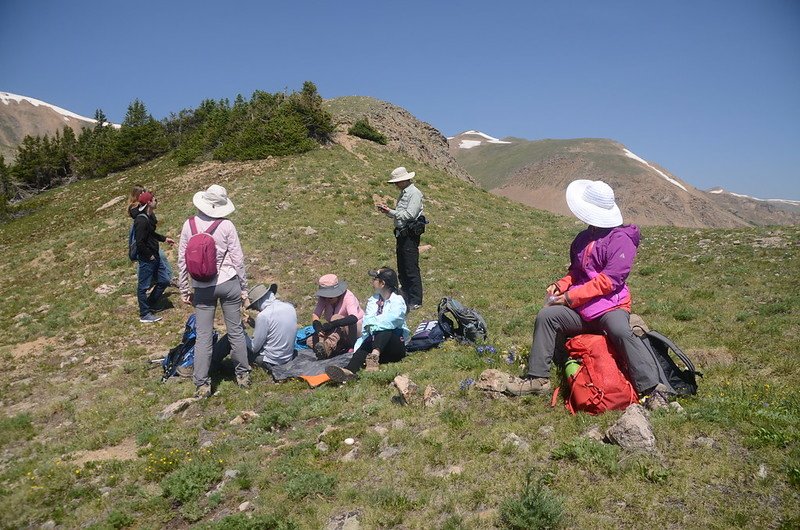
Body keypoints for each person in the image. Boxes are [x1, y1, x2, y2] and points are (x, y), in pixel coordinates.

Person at [505, 180, 664, 400]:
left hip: (611, 306)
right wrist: (561, 285)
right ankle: (537, 378)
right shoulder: (583, 238)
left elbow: (610, 281)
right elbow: (577, 271)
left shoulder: (621, 240)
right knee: (546, 316)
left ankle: (652, 387)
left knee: (619, 330)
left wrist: (570, 297)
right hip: (582, 308)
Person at [178, 184, 250, 398]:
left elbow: (182, 259)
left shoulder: (189, 225)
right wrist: (244, 287)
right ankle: (243, 375)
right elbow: (238, 259)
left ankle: (202, 383)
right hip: (228, 282)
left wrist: (184, 288)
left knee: (203, 335)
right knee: (235, 330)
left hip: (202, 287)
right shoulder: (227, 226)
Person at [325, 268, 410, 383]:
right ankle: (349, 372)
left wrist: (376, 324)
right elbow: (368, 321)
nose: (372, 281)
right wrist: (376, 324)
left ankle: (374, 356)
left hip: (394, 347)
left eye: (375, 279)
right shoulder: (373, 300)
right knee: (366, 343)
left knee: (386, 329)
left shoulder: (398, 300)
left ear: (382, 283)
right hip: (375, 342)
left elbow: (392, 320)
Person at [213, 283, 296, 374]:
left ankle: (211, 363)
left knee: (231, 337)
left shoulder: (264, 316)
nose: (256, 309)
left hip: (271, 361)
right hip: (287, 358)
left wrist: (240, 331)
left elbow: (254, 347)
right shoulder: (289, 307)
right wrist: (255, 324)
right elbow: (275, 328)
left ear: (259, 301)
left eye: (254, 306)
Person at [376, 167, 424, 310]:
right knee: (402, 266)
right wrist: (388, 212)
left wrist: (391, 211)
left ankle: (415, 299)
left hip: (409, 234)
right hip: (401, 233)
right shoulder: (404, 193)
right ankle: (407, 295)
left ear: (404, 180)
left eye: (397, 182)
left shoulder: (414, 193)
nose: (395, 185)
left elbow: (409, 215)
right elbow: (400, 213)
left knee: (410, 267)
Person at [133, 191, 175, 323]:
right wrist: (149, 256)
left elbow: (151, 234)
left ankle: (150, 304)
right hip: (148, 258)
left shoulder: (148, 217)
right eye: (154, 199)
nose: (157, 201)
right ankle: (144, 314)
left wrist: (164, 239)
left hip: (154, 255)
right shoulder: (141, 220)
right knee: (143, 286)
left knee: (164, 280)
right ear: (149, 203)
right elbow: (140, 242)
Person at [307, 274, 365, 359]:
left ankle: (328, 347)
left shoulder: (348, 297)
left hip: (354, 330)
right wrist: (317, 326)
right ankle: (335, 348)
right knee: (310, 340)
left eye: (329, 297)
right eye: (325, 297)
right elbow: (316, 314)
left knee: (336, 317)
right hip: (337, 332)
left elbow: (353, 318)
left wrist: (332, 324)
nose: (326, 300)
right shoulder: (323, 299)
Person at [128, 185, 175, 288]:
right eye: (142, 193)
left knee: (158, 257)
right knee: (147, 258)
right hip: (143, 237)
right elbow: (136, 214)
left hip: (150, 236)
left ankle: (165, 278)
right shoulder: (134, 208)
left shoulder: (144, 207)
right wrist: (146, 205)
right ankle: (147, 282)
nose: (144, 194)